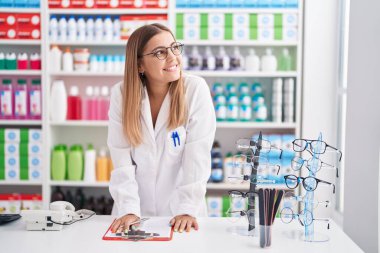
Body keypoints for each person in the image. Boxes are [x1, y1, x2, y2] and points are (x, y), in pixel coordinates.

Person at [108, 23, 216, 234]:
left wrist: (187, 209)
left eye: (175, 47)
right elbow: (121, 160)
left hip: (181, 215)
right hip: (133, 213)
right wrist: (129, 209)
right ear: (140, 65)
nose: (173, 57)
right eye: (160, 52)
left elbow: (197, 157)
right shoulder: (121, 95)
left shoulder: (194, 90)